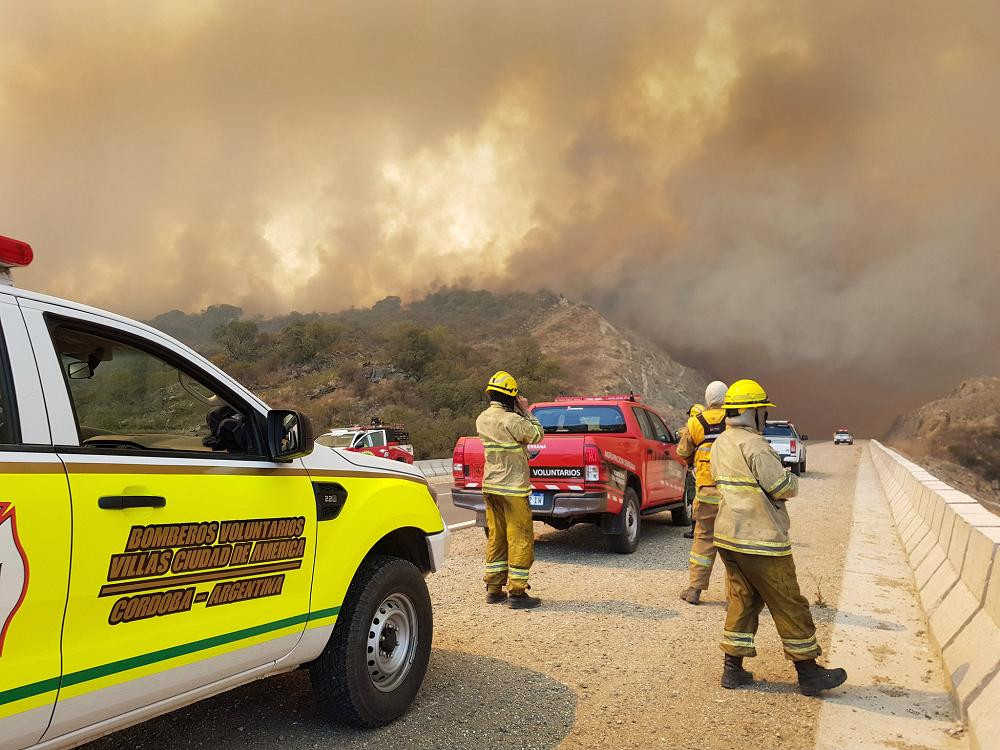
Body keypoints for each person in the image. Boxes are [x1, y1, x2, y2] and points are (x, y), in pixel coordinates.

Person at [711, 379, 847, 695]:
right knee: (789, 601)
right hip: (760, 538)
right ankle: (809, 673)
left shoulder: (721, 443)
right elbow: (784, 487)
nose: (765, 417)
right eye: (762, 411)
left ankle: (732, 669)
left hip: (728, 536)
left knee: (742, 599)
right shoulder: (755, 446)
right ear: (752, 412)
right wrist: (786, 475)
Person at [477, 370, 545, 609]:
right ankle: (517, 592)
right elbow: (537, 434)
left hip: (490, 486)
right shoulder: (513, 420)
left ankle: (494, 589)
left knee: (497, 535)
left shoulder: (482, 418)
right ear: (512, 397)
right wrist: (525, 410)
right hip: (513, 488)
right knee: (520, 535)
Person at [677, 383, 728, 604]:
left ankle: (695, 590)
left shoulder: (695, 423)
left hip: (706, 492)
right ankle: (734, 598)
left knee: (703, 540)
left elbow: (682, 452)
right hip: (731, 493)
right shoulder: (733, 420)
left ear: (707, 399)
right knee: (734, 545)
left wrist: (694, 458)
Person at [679, 403, 704, 540]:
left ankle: (695, 530)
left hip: (695, 470)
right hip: (706, 470)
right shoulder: (708, 429)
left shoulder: (692, 429)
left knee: (694, 499)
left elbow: (683, 451)